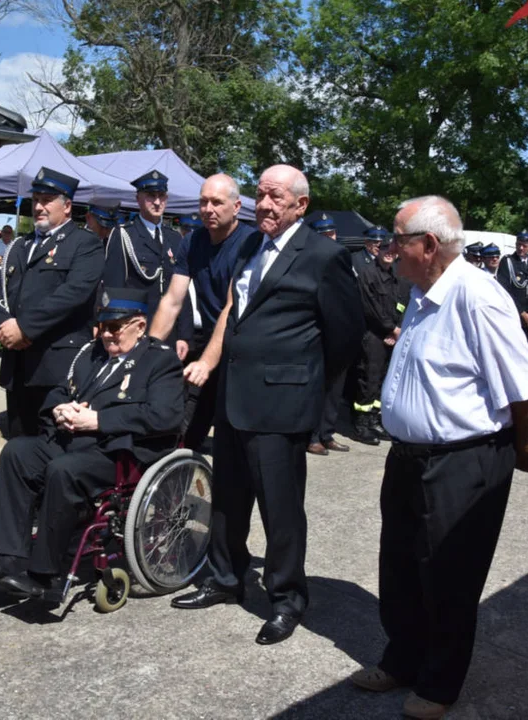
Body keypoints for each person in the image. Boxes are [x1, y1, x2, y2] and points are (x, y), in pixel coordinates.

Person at [349, 196, 528, 720]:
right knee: (400, 568)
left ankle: (439, 683)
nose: (390, 250)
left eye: (397, 239)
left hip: (464, 460)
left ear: (428, 245)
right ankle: (403, 659)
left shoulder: (478, 297)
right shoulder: (421, 290)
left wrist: (523, 452)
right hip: (410, 457)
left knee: (449, 575)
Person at [169, 165, 363, 646]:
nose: (264, 204)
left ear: (301, 204)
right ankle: (225, 578)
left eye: (275, 196)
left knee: (280, 510)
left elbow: (344, 337)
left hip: (282, 404)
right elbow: (237, 310)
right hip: (235, 398)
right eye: (259, 194)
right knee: (228, 502)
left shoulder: (324, 255)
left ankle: (286, 598)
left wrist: (311, 395)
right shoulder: (251, 246)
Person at [0, 289, 184, 600]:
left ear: (140, 326)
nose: (106, 334)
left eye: (115, 327)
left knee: (62, 470)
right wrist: (58, 409)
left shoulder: (160, 361)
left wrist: (98, 420)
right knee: (17, 453)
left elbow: (165, 417)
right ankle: (8, 558)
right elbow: (60, 389)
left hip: (118, 453)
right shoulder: (90, 354)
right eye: (102, 326)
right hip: (72, 439)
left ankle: (44, 574)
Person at [0, 167, 104, 438]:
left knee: (53, 447)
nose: (38, 206)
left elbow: (73, 294)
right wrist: (5, 326)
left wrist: (25, 328)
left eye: (46, 200)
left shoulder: (85, 244)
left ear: (67, 206)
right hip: (18, 364)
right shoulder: (19, 246)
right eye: (35, 200)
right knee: (17, 444)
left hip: (56, 367)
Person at [148, 174, 255, 451]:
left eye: (217, 203)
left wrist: (206, 363)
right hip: (211, 342)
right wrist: (146, 352)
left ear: (237, 206)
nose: (208, 209)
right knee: (186, 432)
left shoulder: (250, 243)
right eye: (203, 202)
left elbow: (232, 307)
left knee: (235, 441)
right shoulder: (192, 242)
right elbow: (172, 300)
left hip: (245, 352)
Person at [103, 170, 192, 342]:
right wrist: (116, 328)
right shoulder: (124, 235)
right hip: (136, 330)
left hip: (169, 332)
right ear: (138, 199)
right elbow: (114, 287)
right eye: (151, 196)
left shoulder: (174, 238)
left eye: (162, 196)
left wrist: (184, 336)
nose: (157, 202)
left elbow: (182, 292)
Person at [349, 231, 410, 446]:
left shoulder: (399, 276)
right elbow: (370, 308)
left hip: (393, 335)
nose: (388, 254)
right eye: (384, 249)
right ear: (376, 250)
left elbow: (405, 303)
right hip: (373, 335)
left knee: (385, 379)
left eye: (392, 251)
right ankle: (361, 425)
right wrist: (391, 329)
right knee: (369, 379)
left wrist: (399, 328)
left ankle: (375, 420)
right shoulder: (367, 274)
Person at [308, 215, 358, 455]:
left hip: (340, 334)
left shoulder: (342, 258)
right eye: (324, 235)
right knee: (317, 389)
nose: (330, 238)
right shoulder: (311, 260)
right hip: (319, 335)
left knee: (335, 390)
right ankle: (312, 436)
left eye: (332, 234)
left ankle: (327, 433)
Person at [498, 230, 528, 339]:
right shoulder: (508, 261)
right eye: (518, 245)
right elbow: (505, 289)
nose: (521, 248)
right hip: (514, 313)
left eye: (524, 246)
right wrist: (522, 313)